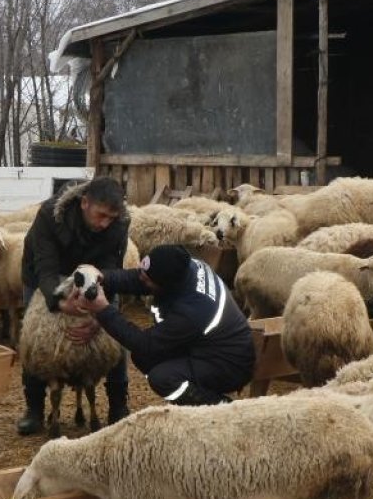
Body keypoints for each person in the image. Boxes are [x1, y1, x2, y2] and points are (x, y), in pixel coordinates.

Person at [17, 176, 130, 435]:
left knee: (115, 335)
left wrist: (101, 316)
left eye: (111, 218)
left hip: (94, 273)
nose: (105, 223)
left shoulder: (120, 223)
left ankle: (118, 405)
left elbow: (112, 268)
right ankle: (34, 408)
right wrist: (58, 302)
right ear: (84, 202)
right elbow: (45, 267)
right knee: (34, 337)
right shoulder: (50, 215)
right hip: (44, 273)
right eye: (101, 215)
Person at [74, 244, 255, 406]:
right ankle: (186, 400)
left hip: (229, 364)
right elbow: (139, 279)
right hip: (205, 346)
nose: (142, 279)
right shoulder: (183, 267)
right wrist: (103, 276)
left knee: (163, 378)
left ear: (166, 285)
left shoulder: (192, 312)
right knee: (144, 358)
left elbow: (145, 344)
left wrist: (103, 310)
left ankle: (220, 408)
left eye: (147, 279)